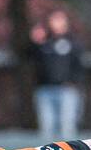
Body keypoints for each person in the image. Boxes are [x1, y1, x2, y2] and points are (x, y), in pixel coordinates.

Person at [30, 10, 84, 142]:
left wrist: (74, 83)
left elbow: (79, 65)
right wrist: (35, 42)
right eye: (53, 20)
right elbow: (28, 57)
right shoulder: (43, 43)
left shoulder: (73, 43)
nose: (56, 24)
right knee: (46, 129)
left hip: (67, 91)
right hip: (45, 90)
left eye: (59, 20)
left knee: (67, 129)